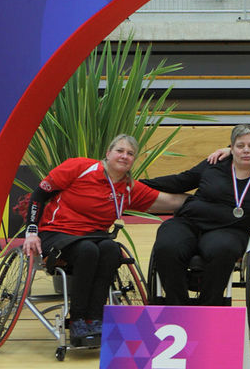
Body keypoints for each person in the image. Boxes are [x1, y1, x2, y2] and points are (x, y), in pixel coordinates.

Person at [23, 134, 184, 347]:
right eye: (120, 151)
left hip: (94, 237)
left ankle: (96, 318)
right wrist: (31, 231)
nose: (124, 156)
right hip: (58, 233)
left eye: (130, 154)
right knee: (88, 250)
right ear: (108, 153)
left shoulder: (128, 189)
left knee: (110, 249)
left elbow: (170, 201)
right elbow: (38, 195)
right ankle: (78, 319)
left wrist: (213, 198)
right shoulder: (80, 167)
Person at [142, 124, 250, 305]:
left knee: (222, 249)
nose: (246, 150)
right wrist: (137, 184)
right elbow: (179, 182)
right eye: (240, 146)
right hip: (189, 221)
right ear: (231, 148)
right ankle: (177, 306)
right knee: (167, 245)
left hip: (230, 230)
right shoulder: (214, 164)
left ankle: (210, 307)